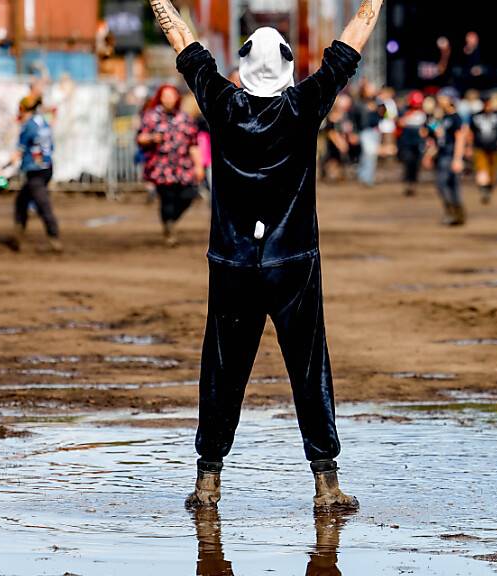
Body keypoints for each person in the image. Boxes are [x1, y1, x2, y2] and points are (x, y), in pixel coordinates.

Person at [149, 0, 384, 511]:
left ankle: (207, 481)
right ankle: (327, 485)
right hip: (292, 262)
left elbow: (183, 42)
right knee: (309, 368)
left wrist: (159, 2)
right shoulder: (304, 105)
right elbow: (351, 44)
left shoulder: (220, 101)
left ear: (241, 68)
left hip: (232, 262)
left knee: (221, 369)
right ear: (286, 71)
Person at [137, 84, 204, 246]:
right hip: (161, 167)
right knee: (167, 198)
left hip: (182, 167)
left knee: (189, 194)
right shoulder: (151, 116)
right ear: (160, 97)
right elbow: (140, 138)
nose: (169, 99)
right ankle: (169, 228)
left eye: (171, 95)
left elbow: (193, 144)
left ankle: (171, 219)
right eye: (165, 96)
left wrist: (199, 165)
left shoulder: (185, 118)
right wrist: (152, 138)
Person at [3, 95, 61, 252]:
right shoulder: (43, 122)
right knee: (21, 202)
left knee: (43, 205)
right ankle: (17, 236)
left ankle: (54, 239)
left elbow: (19, 152)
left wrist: (2, 169)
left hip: (35, 171)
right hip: (47, 167)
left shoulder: (28, 126)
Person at [424, 89, 468, 225]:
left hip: (450, 155)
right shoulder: (443, 117)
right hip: (442, 154)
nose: (439, 99)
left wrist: (458, 159)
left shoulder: (456, 118)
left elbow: (460, 139)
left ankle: (454, 213)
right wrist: (429, 154)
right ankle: (456, 214)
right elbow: (439, 138)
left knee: (443, 184)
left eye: (443, 97)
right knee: (450, 185)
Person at [469, 92, 497, 204]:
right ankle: (484, 190)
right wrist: (468, 146)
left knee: (492, 170)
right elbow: (470, 132)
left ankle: (488, 187)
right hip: (479, 147)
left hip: (495, 147)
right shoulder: (475, 116)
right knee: (482, 169)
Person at [396, 91, 429, 196]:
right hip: (406, 142)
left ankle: (413, 183)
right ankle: (408, 183)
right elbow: (398, 123)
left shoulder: (424, 113)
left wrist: (426, 132)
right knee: (408, 162)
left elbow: (430, 126)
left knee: (416, 164)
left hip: (418, 143)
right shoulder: (404, 111)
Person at [356, 82, 383, 187]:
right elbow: (356, 117)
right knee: (368, 153)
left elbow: (383, 113)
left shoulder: (376, 101)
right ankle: (365, 177)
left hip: (375, 130)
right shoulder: (359, 103)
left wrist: (377, 107)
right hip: (365, 131)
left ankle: (367, 176)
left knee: (371, 155)